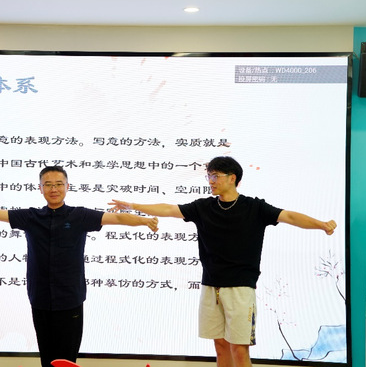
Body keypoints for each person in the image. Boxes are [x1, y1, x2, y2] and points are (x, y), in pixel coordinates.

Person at [108, 156, 336, 367]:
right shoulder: (203, 207)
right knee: (220, 346)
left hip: (240, 288)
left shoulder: (255, 207)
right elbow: (169, 209)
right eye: (209, 176)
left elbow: (290, 216)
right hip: (211, 287)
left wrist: (322, 225)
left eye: (215, 176)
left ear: (232, 178)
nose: (211, 181)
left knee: (239, 349)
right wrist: (133, 205)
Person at [0, 165, 159, 367]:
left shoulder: (80, 215)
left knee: (67, 360)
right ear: (40, 188)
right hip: (41, 297)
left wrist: (144, 220)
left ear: (67, 187)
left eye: (59, 184)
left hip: (71, 298)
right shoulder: (31, 217)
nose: (54, 189)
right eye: (48, 184)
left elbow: (117, 219)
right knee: (47, 358)